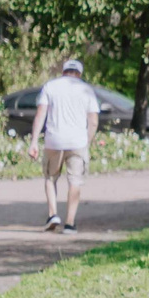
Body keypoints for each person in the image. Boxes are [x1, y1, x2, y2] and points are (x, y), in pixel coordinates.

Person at [28, 58, 100, 234]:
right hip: (78, 142)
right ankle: (70, 223)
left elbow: (40, 115)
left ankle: (53, 214)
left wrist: (34, 141)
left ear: (63, 71)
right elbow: (93, 121)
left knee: (50, 177)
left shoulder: (50, 87)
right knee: (75, 181)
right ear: (80, 74)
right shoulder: (86, 90)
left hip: (54, 140)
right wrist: (87, 142)